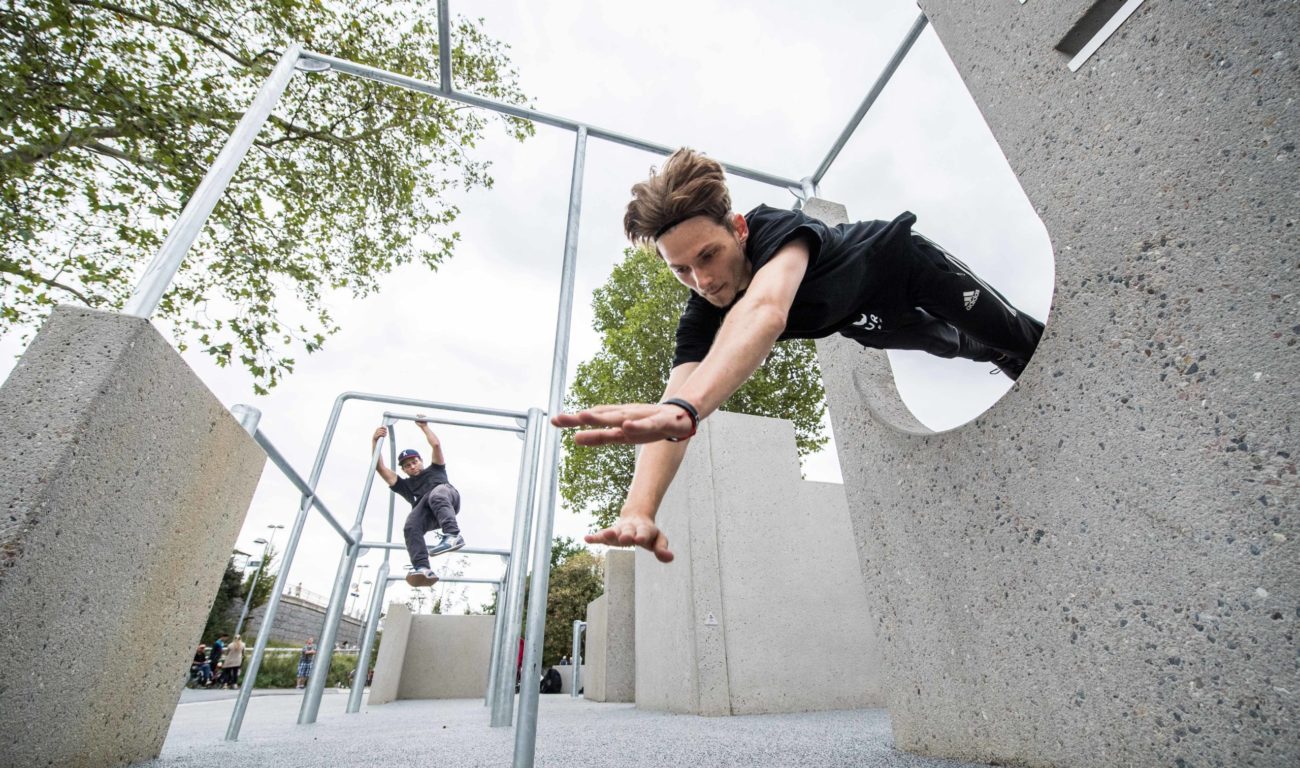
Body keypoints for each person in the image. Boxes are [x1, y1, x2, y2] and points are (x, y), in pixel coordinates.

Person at [555, 148, 1045, 564]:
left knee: (1015, 340)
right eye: (681, 269)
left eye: (708, 256)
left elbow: (765, 311)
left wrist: (689, 408)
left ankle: (1025, 360)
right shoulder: (700, 313)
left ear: (738, 229)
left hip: (907, 267)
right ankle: (986, 351)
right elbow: (669, 407)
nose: (702, 281)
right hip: (869, 321)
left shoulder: (774, 229)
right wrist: (639, 510)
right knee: (954, 345)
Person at [371, 416, 465, 587]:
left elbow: (436, 445)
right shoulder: (404, 486)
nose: (412, 466)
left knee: (436, 494)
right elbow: (380, 468)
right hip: (429, 515)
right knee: (411, 526)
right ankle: (422, 568)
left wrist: (424, 427)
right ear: (404, 470)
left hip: (447, 498)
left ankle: (453, 535)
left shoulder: (436, 469)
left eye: (414, 462)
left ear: (421, 461)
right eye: (407, 466)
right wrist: (375, 441)